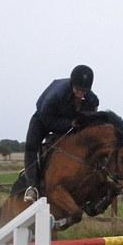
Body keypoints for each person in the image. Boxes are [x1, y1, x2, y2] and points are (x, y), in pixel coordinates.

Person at [23, 65, 99, 202]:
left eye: (84, 91)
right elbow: (48, 121)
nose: (81, 93)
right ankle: (32, 187)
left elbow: (91, 121)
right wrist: (69, 124)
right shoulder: (56, 96)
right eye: (78, 89)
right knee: (31, 146)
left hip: (70, 121)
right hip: (43, 118)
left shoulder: (92, 100)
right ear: (72, 84)